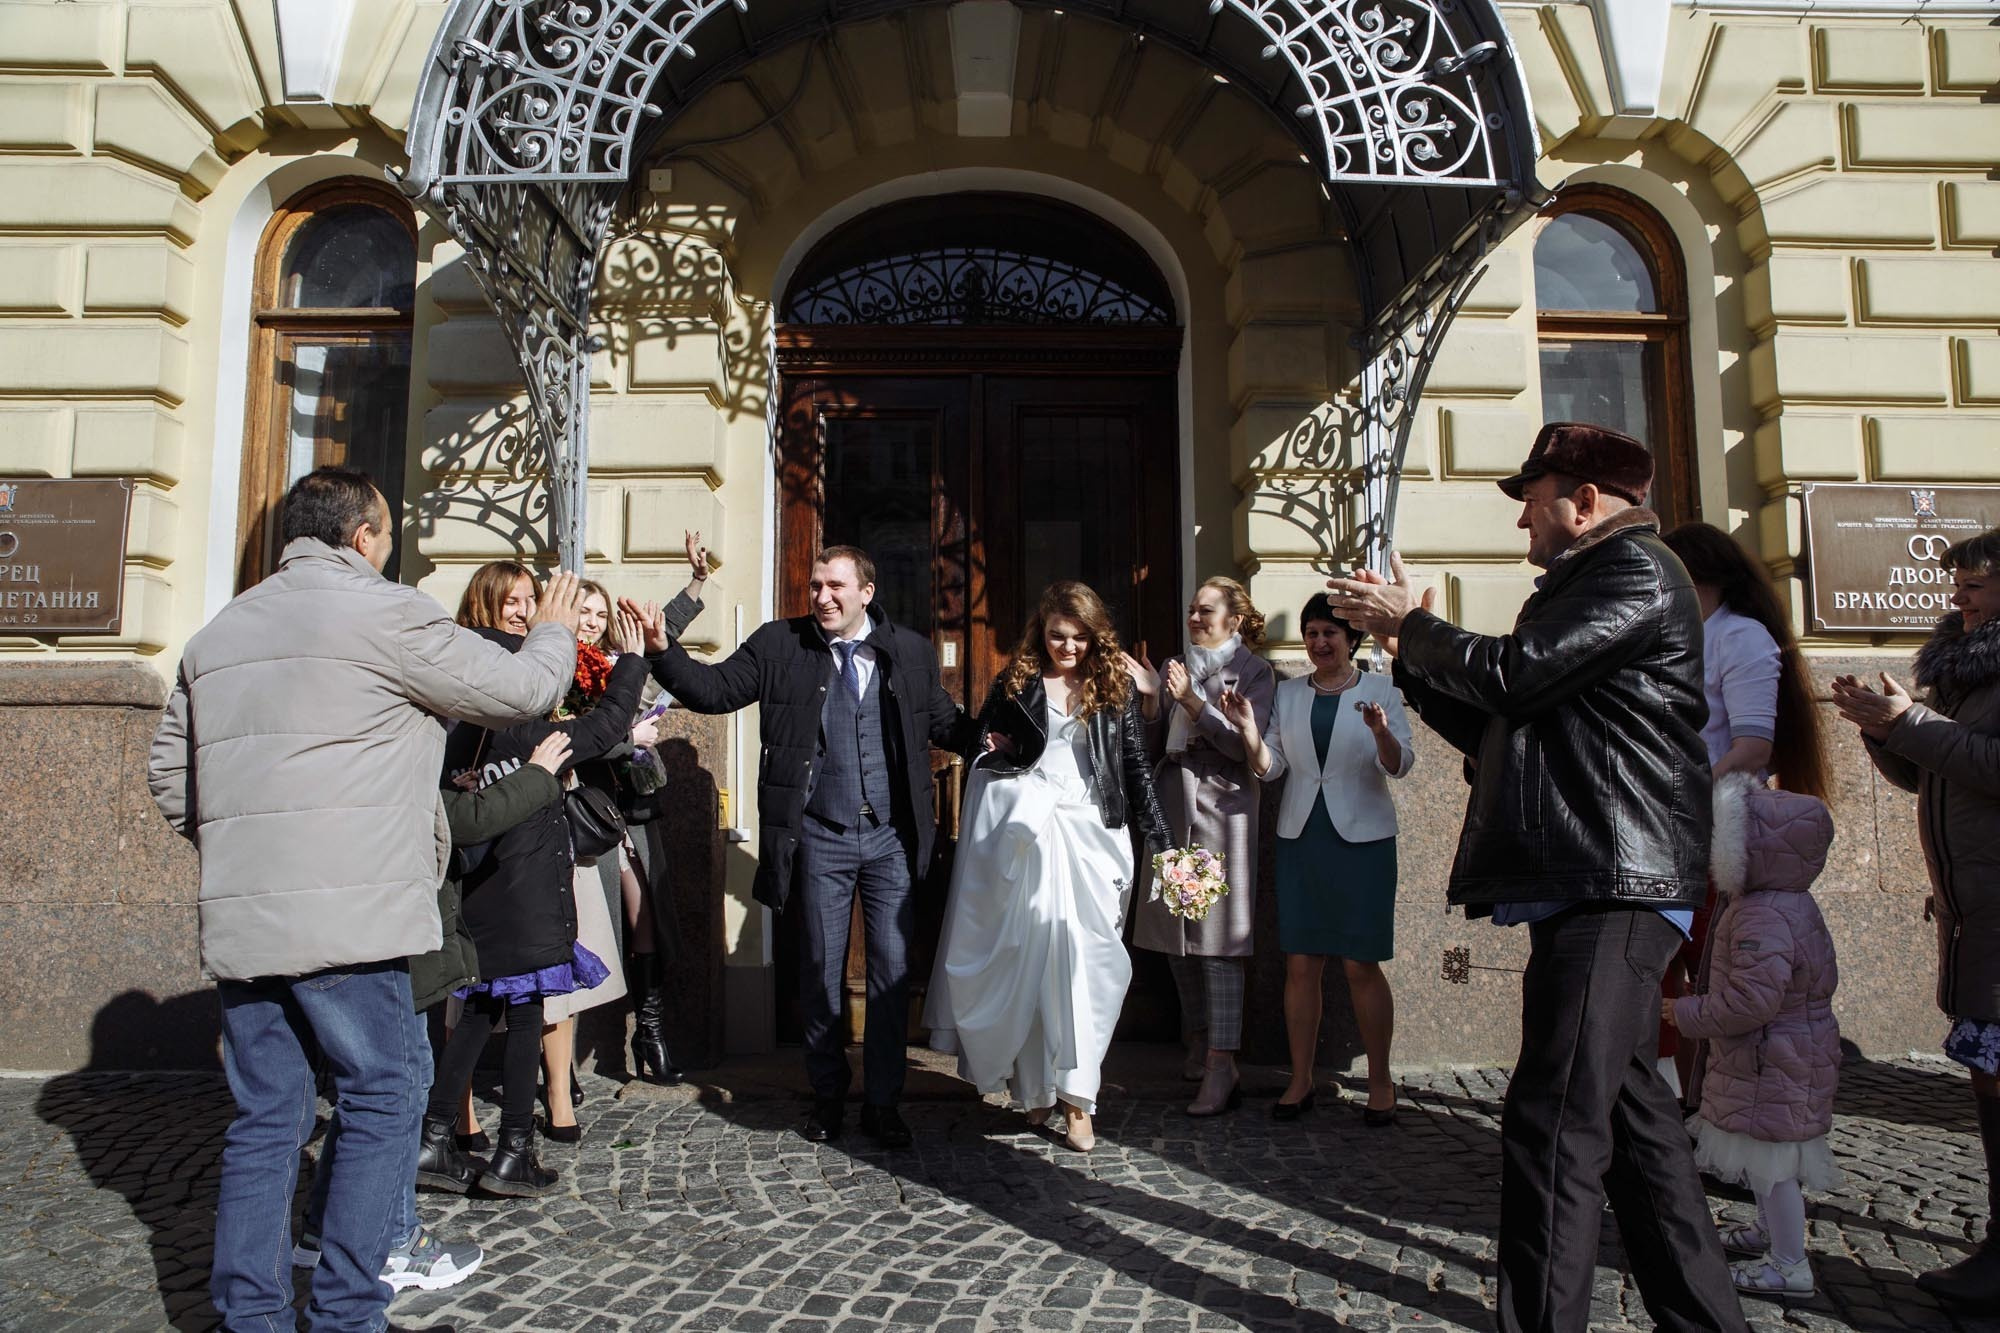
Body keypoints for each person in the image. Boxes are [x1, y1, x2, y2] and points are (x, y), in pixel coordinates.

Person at [1329, 422, 1748, 1333]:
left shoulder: (1633, 571)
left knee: (1552, 1121)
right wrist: (1408, 651)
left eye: (1531, 500)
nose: (1522, 522)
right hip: (1598, 878)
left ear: (1584, 501)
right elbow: (1500, 727)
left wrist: (1417, 625)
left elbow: (1515, 677)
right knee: (1639, 1133)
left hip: (1617, 882)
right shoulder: (1585, 584)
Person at [147, 466, 580, 1332]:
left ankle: (249, 1314)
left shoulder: (218, 631)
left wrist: (251, 841)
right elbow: (523, 691)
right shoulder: (386, 612)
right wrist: (558, 632)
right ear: (361, 538)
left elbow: (168, 778)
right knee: (387, 1090)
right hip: (350, 916)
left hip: (246, 915)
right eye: (387, 536)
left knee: (267, 1116)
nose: (391, 551)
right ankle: (347, 1311)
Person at [631, 545, 982, 1147]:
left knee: (892, 975)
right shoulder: (778, 645)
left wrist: (1000, 733)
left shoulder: (910, 651)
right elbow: (712, 691)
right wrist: (663, 650)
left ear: (866, 592)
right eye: (816, 585)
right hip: (818, 835)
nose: (822, 596)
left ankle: (882, 1102)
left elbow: (947, 724)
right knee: (819, 974)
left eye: (836, 586)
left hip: (892, 838)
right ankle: (826, 1097)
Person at [297, 731, 572, 1285]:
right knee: (393, 1083)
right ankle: (398, 1232)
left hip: (291, 916)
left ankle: (324, 1227)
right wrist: (536, 776)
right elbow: (468, 820)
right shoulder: (405, 715)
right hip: (407, 912)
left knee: (308, 1107)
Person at [924, 582, 1170, 1152]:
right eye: (1058, 635)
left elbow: (1132, 764)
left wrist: (1162, 837)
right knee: (1031, 964)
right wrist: (993, 751)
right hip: (1028, 833)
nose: (1067, 647)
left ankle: (1079, 1100)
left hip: (1093, 833)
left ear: (1094, 636)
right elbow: (982, 743)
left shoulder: (1114, 687)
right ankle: (1035, 1091)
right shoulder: (1017, 680)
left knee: (1087, 969)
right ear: (1043, 631)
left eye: (1079, 637)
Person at [423, 593, 650, 1197]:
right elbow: (605, 726)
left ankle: (435, 1136)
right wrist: (632, 660)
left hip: (481, 898)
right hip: (529, 899)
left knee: (476, 1015)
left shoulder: (460, 730)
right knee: (527, 1018)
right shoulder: (531, 732)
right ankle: (512, 1152)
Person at [1836, 526, 2000, 1311]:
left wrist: (1913, 725)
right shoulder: (1965, 672)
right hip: (1976, 911)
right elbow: (1928, 769)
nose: (1958, 598)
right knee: (1988, 1075)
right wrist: (1880, 728)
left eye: (1976, 584)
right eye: (1957, 584)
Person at [1223, 593, 1414, 1123]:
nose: (1319, 642)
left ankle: (1380, 1082)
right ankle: (1301, 1079)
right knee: (1300, 963)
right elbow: (1271, 768)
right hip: (1302, 837)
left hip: (1364, 843)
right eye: (1310, 633)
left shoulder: (1381, 690)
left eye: (1330, 633)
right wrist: (1248, 732)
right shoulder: (1287, 695)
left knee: (1360, 964)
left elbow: (1401, 766)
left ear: (1352, 639)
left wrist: (1380, 734)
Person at [1659, 522, 1831, 1099]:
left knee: (1715, 974)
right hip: (1660, 827)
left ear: (1695, 574)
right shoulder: (1674, 631)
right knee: (1660, 977)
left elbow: (1752, 747)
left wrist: (1682, 796)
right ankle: (1677, 1106)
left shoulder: (1742, 636)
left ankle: (1717, 1110)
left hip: (1717, 832)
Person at [1664, 774, 1842, 1300]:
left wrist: (1685, 1012)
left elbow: (1750, 1002)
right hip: (1780, 1058)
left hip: (1772, 1061)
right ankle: (1768, 1234)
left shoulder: (1762, 914)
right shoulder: (1784, 901)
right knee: (1766, 1161)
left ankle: (1790, 1265)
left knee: (1776, 1165)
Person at [1128, 576, 1276, 1117]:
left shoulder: (1255, 673)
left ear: (1234, 620)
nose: (1194, 618)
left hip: (1221, 810)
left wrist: (1192, 701)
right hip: (1173, 805)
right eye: (1191, 609)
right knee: (1177, 938)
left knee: (1217, 944)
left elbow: (1244, 748)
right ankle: (1198, 1034)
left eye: (1206, 610)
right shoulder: (1175, 666)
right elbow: (1146, 748)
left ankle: (1222, 1059)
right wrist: (1150, 703)